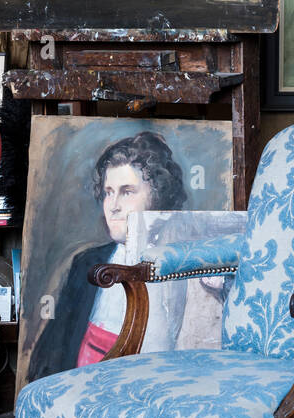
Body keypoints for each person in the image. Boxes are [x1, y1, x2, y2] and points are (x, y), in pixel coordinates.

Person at [25, 131, 187, 381]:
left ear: (158, 196)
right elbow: (50, 357)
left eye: (127, 191)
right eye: (108, 192)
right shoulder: (86, 264)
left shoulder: (183, 266)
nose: (113, 205)